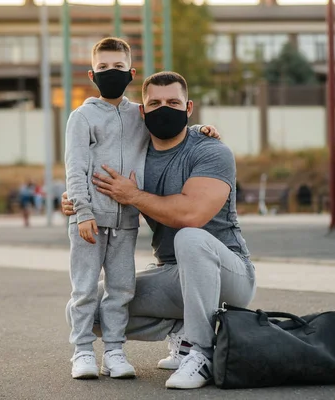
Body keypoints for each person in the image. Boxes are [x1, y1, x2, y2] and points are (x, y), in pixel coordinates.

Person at [63, 71, 255, 390]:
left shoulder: (210, 150)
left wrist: (133, 195)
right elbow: (91, 179)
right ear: (142, 111)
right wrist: (74, 201)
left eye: (173, 102)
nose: (164, 108)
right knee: (86, 310)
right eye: (155, 102)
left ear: (188, 107)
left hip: (228, 275)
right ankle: (182, 330)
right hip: (172, 276)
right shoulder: (135, 158)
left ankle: (201, 350)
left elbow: (193, 214)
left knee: (190, 237)